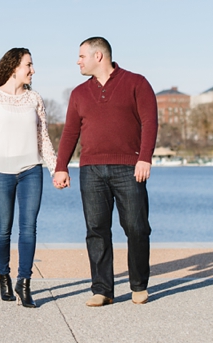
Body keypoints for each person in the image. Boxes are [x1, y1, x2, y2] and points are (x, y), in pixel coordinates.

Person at [53, 37, 157, 307]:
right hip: (91, 170)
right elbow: (70, 133)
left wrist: (145, 158)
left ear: (98, 56)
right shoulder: (78, 93)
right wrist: (61, 166)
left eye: (81, 56)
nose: (78, 61)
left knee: (136, 227)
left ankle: (138, 285)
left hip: (129, 167)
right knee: (96, 229)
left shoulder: (137, 83)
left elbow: (149, 121)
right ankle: (102, 290)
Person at [0, 47, 57, 308]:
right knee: (3, 229)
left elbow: (43, 137)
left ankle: (24, 282)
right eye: (28, 65)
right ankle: (4, 275)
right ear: (13, 68)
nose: (33, 70)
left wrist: (56, 169)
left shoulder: (35, 99)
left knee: (29, 227)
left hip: (31, 170)